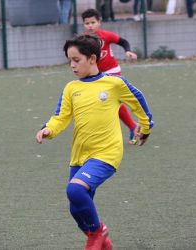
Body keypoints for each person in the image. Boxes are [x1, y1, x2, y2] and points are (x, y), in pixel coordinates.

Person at [36, 34, 153, 250]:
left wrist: (145, 128)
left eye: (76, 60)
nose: (72, 65)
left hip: (107, 153)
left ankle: (98, 233)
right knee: (75, 208)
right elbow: (61, 116)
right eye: (69, 60)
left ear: (92, 59)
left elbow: (139, 102)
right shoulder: (72, 88)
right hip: (80, 155)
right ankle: (104, 243)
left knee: (75, 191)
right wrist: (48, 129)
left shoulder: (114, 83)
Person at [82, 9, 140, 144]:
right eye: (87, 23)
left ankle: (133, 126)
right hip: (97, 75)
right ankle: (132, 126)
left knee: (109, 101)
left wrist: (128, 51)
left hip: (112, 71)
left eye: (93, 22)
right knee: (105, 102)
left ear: (99, 22)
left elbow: (123, 41)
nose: (90, 25)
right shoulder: (83, 40)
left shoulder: (106, 36)